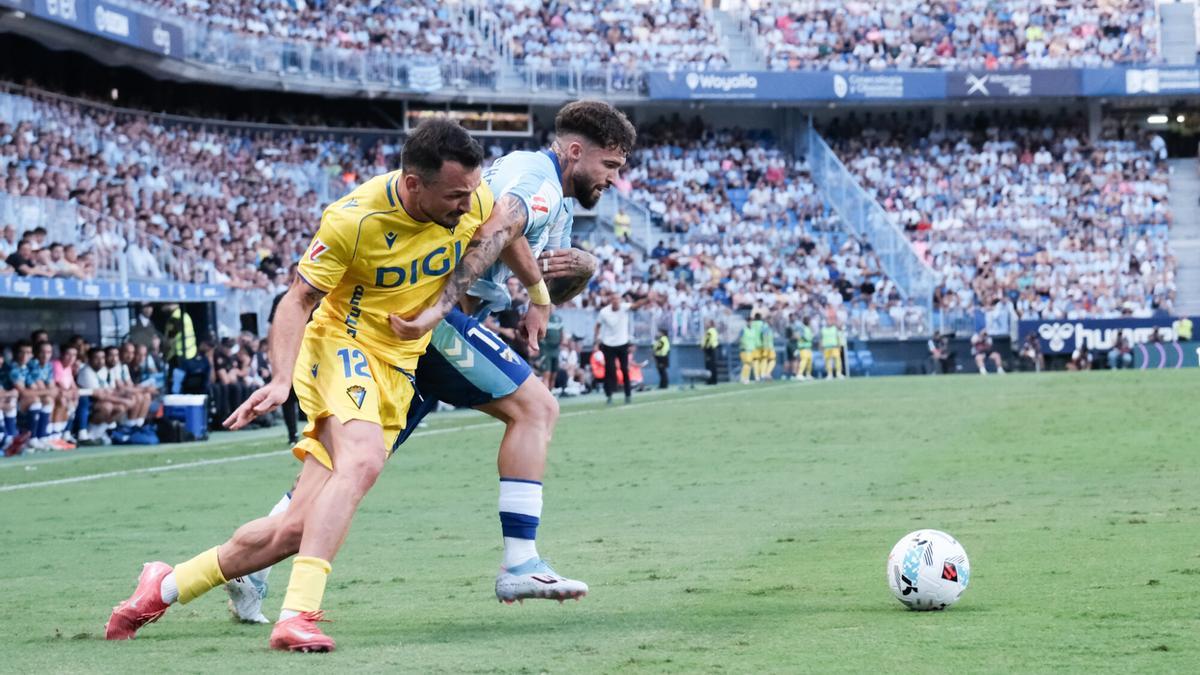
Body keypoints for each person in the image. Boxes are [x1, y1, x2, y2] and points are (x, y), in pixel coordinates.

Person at [229, 101, 635, 625]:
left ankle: (245, 566)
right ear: (576, 151)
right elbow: (497, 231)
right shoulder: (532, 178)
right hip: (432, 326)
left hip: (422, 340)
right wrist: (443, 308)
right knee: (537, 409)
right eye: (610, 166)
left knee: (344, 471)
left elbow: (537, 269)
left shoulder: (556, 200)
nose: (612, 180)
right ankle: (522, 561)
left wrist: (563, 282)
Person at [104, 118, 495, 653]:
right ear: (412, 185)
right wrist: (281, 378)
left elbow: (502, 230)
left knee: (293, 529)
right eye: (454, 195)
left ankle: (161, 588)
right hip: (342, 347)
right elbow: (296, 301)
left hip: (397, 369)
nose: (465, 204)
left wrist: (539, 292)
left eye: (471, 192)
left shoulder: (472, 196)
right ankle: (298, 615)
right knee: (362, 462)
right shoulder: (352, 220)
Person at [594, 291, 639, 403]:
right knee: (610, 370)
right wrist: (597, 339)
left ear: (620, 300)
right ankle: (609, 395)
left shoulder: (624, 307)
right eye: (614, 299)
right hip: (608, 345)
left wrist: (647, 299)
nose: (616, 301)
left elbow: (636, 305)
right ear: (611, 301)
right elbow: (598, 325)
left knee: (624, 369)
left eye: (618, 299)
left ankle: (628, 395)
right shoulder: (604, 312)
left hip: (622, 344)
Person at [739, 314, 761, 384]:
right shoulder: (743, 330)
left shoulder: (753, 330)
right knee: (747, 364)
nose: (750, 323)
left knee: (752, 364)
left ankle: (751, 377)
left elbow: (755, 339)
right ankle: (744, 378)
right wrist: (743, 346)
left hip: (752, 349)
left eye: (751, 321)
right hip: (745, 349)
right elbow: (740, 339)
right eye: (749, 321)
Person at [701, 320, 719, 385]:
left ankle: (710, 380)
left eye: (707, 323)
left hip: (710, 349)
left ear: (710, 324)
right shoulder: (714, 330)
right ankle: (714, 380)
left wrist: (705, 347)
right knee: (713, 366)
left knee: (710, 366)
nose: (705, 325)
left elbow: (708, 340)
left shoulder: (710, 331)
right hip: (712, 348)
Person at [757, 317, 776, 381]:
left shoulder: (768, 327)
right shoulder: (765, 327)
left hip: (768, 346)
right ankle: (764, 373)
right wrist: (765, 346)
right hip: (767, 347)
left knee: (769, 360)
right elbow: (764, 336)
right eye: (771, 320)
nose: (772, 322)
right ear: (768, 320)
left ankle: (765, 373)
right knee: (766, 359)